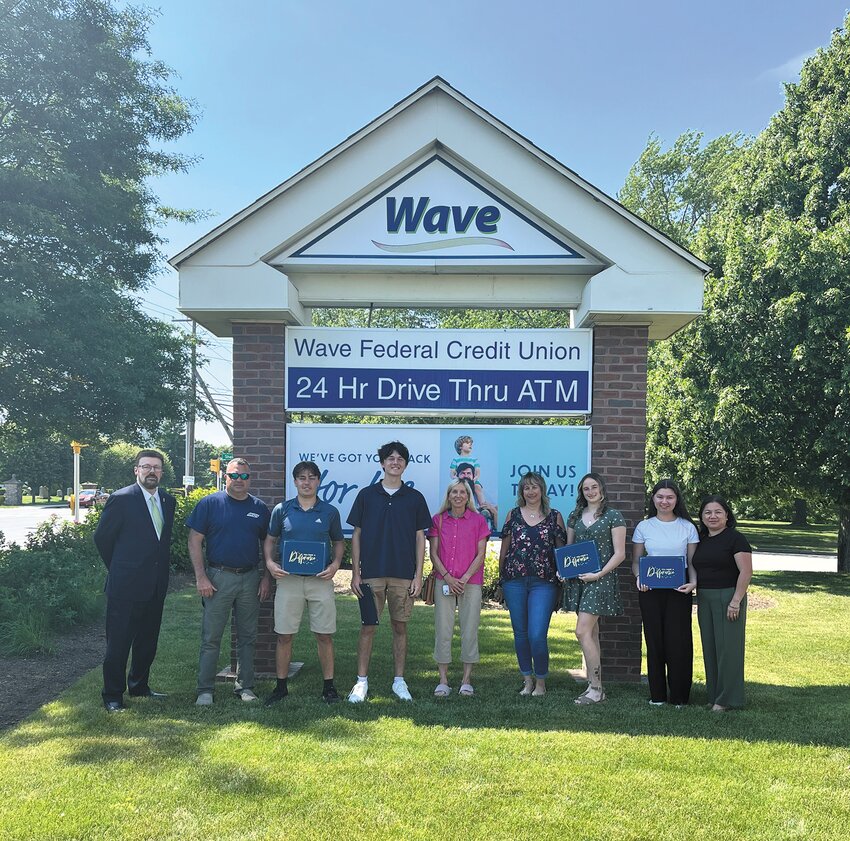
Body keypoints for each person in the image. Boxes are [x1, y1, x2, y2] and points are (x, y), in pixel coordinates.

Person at [347, 441, 431, 703]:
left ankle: (399, 681)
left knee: (400, 627)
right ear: (382, 463)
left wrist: (418, 574)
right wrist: (355, 573)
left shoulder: (415, 498)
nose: (395, 462)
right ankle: (361, 682)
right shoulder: (366, 495)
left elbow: (420, 538)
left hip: (403, 575)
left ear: (405, 464)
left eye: (400, 459)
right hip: (371, 574)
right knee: (368, 627)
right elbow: (357, 535)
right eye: (390, 458)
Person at [94, 449, 176, 712]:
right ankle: (113, 695)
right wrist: (120, 568)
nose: (152, 471)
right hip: (125, 587)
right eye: (146, 467)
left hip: (155, 586)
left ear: (161, 472)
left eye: (156, 467)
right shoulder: (121, 499)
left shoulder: (168, 501)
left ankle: (139, 686)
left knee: (147, 641)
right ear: (136, 470)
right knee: (118, 643)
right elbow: (103, 538)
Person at [188, 458, 271, 705]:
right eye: (234, 475)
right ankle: (205, 690)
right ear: (226, 476)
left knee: (248, 636)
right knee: (211, 636)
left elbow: (268, 544)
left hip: (249, 577)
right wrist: (201, 577)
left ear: (250, 479)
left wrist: (266, 577)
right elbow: (194, 540)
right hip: (218, 577)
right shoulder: (210, 504)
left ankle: (245, 687)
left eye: (244, 476)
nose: (239, 480)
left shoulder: (259, 507)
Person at [263, 461, 345, 705]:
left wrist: (335, 564)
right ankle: (280, 687)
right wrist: (269, 562)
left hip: (320, 581)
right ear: (295, 481)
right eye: (301, 478)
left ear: (318, 481)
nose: (306, 482)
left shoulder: (330, 512)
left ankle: (329, 687)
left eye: (311, 477)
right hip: (289, 581)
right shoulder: (282, 509)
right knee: (284, 635)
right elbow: (270, 539)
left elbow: (339, 542)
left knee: (324, 635)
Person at [631, 478, 699, 706]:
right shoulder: (644, 527)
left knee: (678, 642)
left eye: (670, 497)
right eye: (660, 496)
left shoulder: (687, 527)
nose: (664, 501)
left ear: (677, 499)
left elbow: (692, 562)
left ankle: (680, 696)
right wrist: (640, 577)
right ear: (653, 499)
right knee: (655, 641)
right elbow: (636, 562)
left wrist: (693, 583)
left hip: (679, 591)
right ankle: (657, 695)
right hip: (650, 591)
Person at [498, 471, 566, 697]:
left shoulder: (554, 516)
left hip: (544, 583)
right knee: (520, 633)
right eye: (526, 487)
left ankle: (541, 682)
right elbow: (505, 549)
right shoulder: (513, 515)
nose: (531, 491)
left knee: (537, 634)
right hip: (514, 581)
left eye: (535, 487)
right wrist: (502, 578)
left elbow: (560, 550)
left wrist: (562, 579)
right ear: (521, 492)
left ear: (542, 490)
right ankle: (527, 680)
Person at [562, 472, 627, 705]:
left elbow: (620, 553)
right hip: (580, 579)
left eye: (594, 487)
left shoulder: (613, 516)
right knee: (592, 632)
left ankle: (596, 688)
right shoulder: (575, 515)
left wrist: (598, 574)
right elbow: (569, 549)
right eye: (585, 488)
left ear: (602, 489)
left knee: (581, 631)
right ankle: (595, 686)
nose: (590, 491)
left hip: (601, 580)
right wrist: (564, 569)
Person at [427, 479, 489, 697]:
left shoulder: (478, 520)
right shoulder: (438, 520)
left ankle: (466, 679)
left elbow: (481, 554)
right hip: (444, 582)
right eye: (454, 491)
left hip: (470, 583)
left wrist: (463, 578)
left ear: (468, 496)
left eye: (463, 492)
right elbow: (433, 553)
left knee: (469, 630)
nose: (458, 495)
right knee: (443, 630)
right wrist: (448, 577)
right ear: (448, 495)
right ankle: (443, 680)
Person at [692, 495, 753, 711]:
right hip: (705, 597)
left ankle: (727, 699)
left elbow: (746, 571)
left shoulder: (736, 539)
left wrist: (736, 600)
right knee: (710, 648)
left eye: (718, 512)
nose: (712, 516)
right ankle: (713, 696)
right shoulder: (701, 539)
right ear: (701, 516)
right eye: (707, 512)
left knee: (728, 649)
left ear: (727, 515)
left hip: (728, 597)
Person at [456, 462, 499, 533]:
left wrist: (493, 510)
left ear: (473, 476)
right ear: (457, 476)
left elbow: (497, 523)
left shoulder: (479, 490)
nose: (466, 476)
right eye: (463, 473)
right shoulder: (452, 494)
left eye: (468, 473)